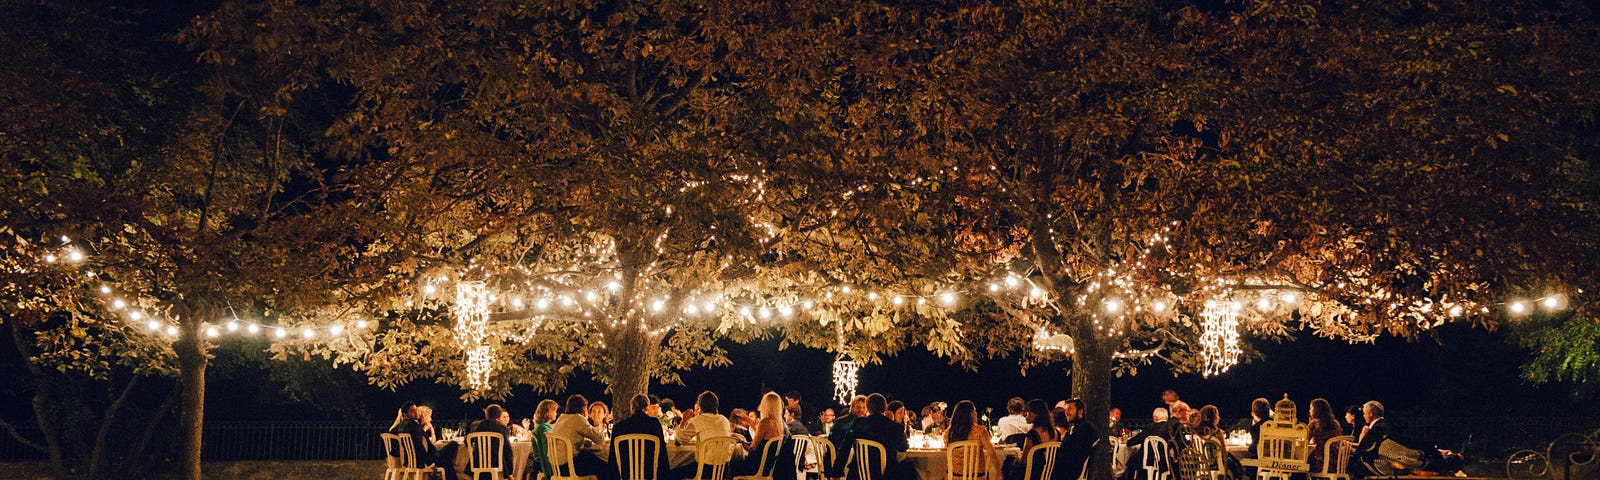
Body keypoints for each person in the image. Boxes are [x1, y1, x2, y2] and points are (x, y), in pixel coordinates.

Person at [838, 394, 909, 480]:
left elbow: (845, 448)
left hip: (859, 474)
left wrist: (836, 473)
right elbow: (903, 447)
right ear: (885, 407)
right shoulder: (896, 427)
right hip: (886, 475)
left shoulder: (858, 423)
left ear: (867, 408)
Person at [389, 402, 458, 480]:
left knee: (446, 460)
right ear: (405, 414)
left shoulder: (400, 425)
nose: (416, 412)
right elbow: (418, 446)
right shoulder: (414, 424)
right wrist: (430, 464)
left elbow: (392, 432)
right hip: (424, 460)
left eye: (416, 410)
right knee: (452, 446)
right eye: (412, 411)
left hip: (410, 461)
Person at [611, 394, 672, 480]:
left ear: (631, 407)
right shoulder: (654, 424)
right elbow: (662, 453)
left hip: (626, 474)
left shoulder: (619, 427)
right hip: (649, 474)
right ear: (647, 407)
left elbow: (612, 458)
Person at [553, 394, 610, 478]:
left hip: (556, 466)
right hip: (569, 466)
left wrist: (583, 442)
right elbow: (600, 439)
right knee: (606, 467)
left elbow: (569, 438)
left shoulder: (562, 418)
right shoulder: (577, 418)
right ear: (583, 408)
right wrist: (585, 418)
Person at [1004, 399, 1059, 480]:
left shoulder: (1033, 434)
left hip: (1033, 474)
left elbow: (1023, 462)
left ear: (1036, 414)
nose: (1025, 415)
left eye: (1028, 412)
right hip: (1049, 474)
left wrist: (1016, 460)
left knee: (1007, 466)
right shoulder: (1055, 432)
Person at [945, 400, 1000, 479]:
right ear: (971, 414)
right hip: (977, 477)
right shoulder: (980, 431)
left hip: (954, 477)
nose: (976, 414)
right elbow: (991, 452)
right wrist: (999, 471)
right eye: (975, 411)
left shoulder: (948, 433)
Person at [470, 404, 518, 480]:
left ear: (486, 414)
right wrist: (510, 471)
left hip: (478, 462)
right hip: (497, 463)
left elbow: (467, 441)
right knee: (504, 453)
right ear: (499, 416)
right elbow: (507, 450)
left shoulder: (477, 426)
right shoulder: (502, 428)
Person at [826, 395, 869, 477]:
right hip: (841, 458)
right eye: (858, 407)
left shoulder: (866, 423)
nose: (862, 410)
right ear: (852, 408)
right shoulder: (843, 422)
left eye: (864, 407)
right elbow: (838, 444)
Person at [1055, 399, 1098, 480]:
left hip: (1069, 472)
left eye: (1070, 409)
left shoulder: (1086, 428)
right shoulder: (1074, 428)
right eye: (1065, 410)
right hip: (1065, 468)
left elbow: (1069, 450)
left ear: (1080, 411)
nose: (1066, 413)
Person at [1353, 401, 1390, 478]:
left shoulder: (1377, 428)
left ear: (1370, 413)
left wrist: (1351, 451)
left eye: (1364, 413)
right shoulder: (1385, 424)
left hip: (1376, 463)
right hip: (1383, 460)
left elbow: (1364, 448)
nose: (1363, 416)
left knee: (1349, 466)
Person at [1306, 398, 1344, 471]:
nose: (1309, 410)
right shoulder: (1335, 423)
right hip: (1337, 463)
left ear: (1316, 410)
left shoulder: (1314, 423)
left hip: (1321, 462)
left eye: (1311, 408)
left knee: (1301, 464)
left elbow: (1305, 440)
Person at [531, 399, 560, 480]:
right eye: (555, 411)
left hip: (541, 465)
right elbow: (547, 451)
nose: (556, 413)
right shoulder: (544, 429)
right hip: (549, 467)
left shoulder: (538, 427)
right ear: (549, 412)